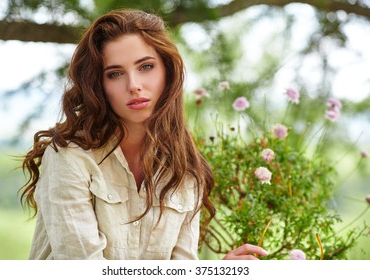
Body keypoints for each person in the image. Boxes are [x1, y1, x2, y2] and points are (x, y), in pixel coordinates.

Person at [20, 9, 268, 260]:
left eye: (146, 67)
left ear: (167, 72)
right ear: (98, 85)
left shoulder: (186, 170)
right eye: (115, 73)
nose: (133, 85)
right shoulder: (69, 158)